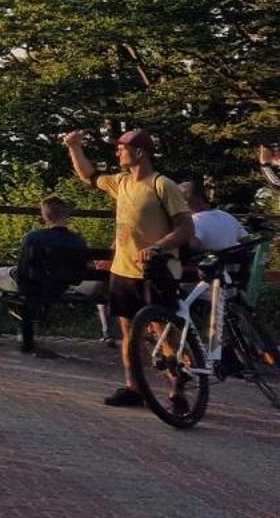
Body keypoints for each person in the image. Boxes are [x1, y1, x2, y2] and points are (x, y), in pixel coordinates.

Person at [63, 127, 193, 408]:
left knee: (163, 331)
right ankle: (133, 387)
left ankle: (177, 390)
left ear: (139, 152)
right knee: (129, 333)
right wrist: (74, 147)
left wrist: (159, 246)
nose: (117, 151)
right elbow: (89, 176)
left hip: (155, 271)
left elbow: (186, 227)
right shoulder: (120, 183)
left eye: (121, 147)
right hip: (123, 271)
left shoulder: (162, 185)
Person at [0, 196, 94, 346]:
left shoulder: (35, 237)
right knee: (28, 282)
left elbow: (23, 271)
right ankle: (22, 330)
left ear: (45, 215)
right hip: (59, 287)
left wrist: (12, 272)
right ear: (65, 215)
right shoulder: (78, 240)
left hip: (30, 286)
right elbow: (79, 273)